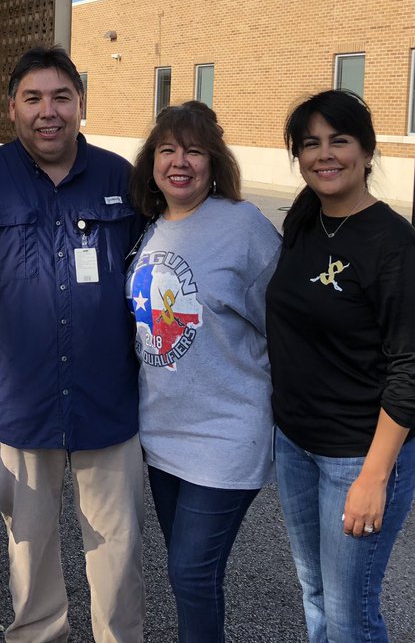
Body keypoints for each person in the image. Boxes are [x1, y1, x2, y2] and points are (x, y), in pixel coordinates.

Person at [0, 45, 147, 643]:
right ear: (13, 109)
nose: (49, 112)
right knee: (29, 547)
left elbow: (162, 275)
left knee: (117, 549)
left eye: (62, 98)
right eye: (34, 99)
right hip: (20, 404)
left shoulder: (122, 180)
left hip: (109, 400)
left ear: (81, 105)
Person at [265, 89, 415, 643]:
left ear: (366, 150)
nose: (324, 155)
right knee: (315, 594)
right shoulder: (305, 220)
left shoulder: (395, 246)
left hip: (357, 456)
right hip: (296, 444)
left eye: (338, 140)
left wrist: (373, 476)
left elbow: (412, 366)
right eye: (310, 143)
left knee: (349, 615)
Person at [125, 101, 281, 643]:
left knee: (190, 571)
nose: (180, 162)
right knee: (192, 571)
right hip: (162, 432)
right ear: (152, 163)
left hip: (226, 432)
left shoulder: (243, 227)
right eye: (167, 150)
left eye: (193, 150)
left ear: (214, 162)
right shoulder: (149, 229)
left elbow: (283, 324)